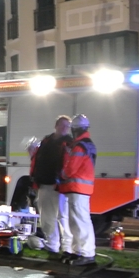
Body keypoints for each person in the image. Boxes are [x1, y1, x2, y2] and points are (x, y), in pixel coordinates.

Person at [31, 115, 74, 260]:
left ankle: (67, 247)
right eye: (62, 125)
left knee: (63, 217)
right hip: (44, 183)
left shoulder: (69, 143)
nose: (64, 128)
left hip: (60, 186)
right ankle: (52, 245)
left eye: (67, 126)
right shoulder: (46, 141)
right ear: (56, 126)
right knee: (47, 218)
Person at [60, 114, 97, 266]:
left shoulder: (79, 146)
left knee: (80, 222)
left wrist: (61, 173)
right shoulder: (86, 144)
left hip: (78, 189)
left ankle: (87, 254)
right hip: (79, 189)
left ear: (75, 130)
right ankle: (78, 252)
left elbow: (70, 169)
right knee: (76, 223)